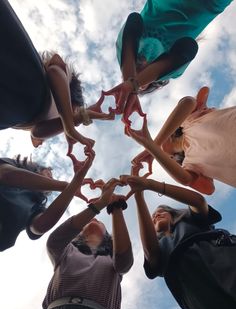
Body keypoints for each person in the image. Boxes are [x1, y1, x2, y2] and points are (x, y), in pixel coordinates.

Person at [0, 0, 114, 151]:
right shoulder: (55, 94)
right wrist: (71, 122)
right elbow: (56, 70)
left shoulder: (42, 119)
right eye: (74, 111)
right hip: (28, 90)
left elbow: (37, 134)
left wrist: (77, 120)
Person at [120, 174, 236, 309]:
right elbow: (151, 251)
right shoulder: (159, 249)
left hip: (227, 261)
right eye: (152, 217)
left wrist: (149, 184)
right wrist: (138, 195)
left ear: (174, 214)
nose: (156, 215)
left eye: (162, 211)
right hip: (199, 297)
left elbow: (198, 201)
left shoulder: (192, 221)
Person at [104, 0, 232, 123]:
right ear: (154, 80)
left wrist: (130, 83)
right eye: (143, 83)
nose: (138, 73)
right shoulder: (172, 70)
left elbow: (134, 20)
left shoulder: (126, 49)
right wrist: (135, 85)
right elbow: (188, 47)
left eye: (134, 73)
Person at [42, 179, 133, 309]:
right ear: (78, 232)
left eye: (100, 221)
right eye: (89, 220)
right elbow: (55, 240)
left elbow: (124, 260)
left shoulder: (111, 258)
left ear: (108, 236)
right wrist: (100, 204)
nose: (94, 219)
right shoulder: (68, 251)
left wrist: (115, 206)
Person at [127, 86, 236, 194]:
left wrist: (153, 145)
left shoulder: (190, 121)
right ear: (171, 158)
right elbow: (205, 188)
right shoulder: (191, 164)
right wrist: (152, 149)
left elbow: (189, 101)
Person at [0, 149, 95, 252]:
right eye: (49, 174)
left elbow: (38, 227)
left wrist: (74, 185)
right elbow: (6, 175)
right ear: (38, 169)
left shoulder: (37, 206)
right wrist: (68, 186)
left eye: (52, 178)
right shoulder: (15, 165)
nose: (51, 178)